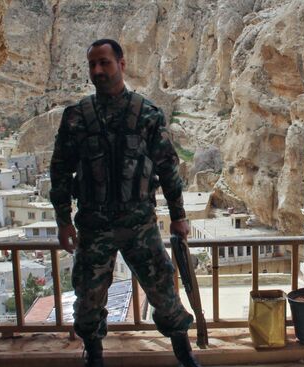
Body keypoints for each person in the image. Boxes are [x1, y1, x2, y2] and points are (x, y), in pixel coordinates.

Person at [50, 39, 201, 367]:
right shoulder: (76, 117)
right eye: (92, 65)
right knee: (87, 299)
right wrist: (63, 221)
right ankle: (94, 354)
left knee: (164, 291)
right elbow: (60, 172)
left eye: (104, 62)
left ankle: (184, 353)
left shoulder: (147, 114)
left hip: (140, 226)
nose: (97, 71)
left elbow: (167, 167)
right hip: (93, 227)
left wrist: (179, 216)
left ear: (122, 64)